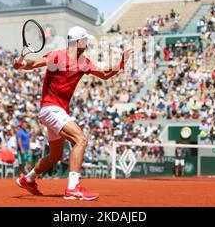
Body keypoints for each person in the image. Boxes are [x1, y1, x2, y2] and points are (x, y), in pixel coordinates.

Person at [13, 26, 133, 201]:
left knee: (56, 155)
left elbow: (106, 74)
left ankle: (28, 179)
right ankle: (72, 188)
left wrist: (122, 62)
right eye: (85, 41)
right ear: (78, 42)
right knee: (81, 139)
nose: (87, 43)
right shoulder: (57, 56)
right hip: (50, 109)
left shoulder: (84, 62)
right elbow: (32, 64)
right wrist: (21, 63)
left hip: (58, 111)